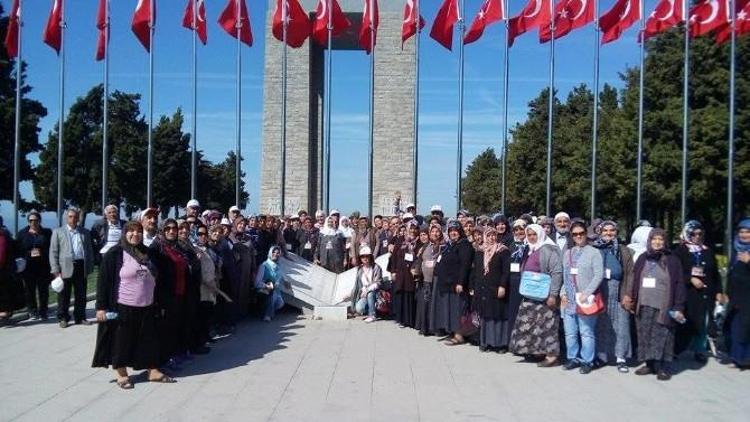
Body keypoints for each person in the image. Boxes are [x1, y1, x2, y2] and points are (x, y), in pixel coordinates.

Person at [92, 221, 175, 389]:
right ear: (125, 233)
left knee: (148, 340)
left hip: (147, 305)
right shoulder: (115, 254)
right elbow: (103, 282)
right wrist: (101, 307)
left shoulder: (149, 253)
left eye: (138, 231)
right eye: (130, 231)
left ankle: (152, 370)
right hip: (124, 306)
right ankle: (121, 374)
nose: (134, 234)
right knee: (122, 341)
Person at [622, 228, 687, 381]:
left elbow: (679, 284)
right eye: (654, 239)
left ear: (665, 241)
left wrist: (678, 306)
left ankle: (664, 367)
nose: (657, 242)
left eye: (660, 239)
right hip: (643, 304)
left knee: (664, 336)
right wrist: (630, 296)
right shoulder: (643, 258)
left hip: (664, 306)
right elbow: (634, 278)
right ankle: (650, 364)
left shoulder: (672, 260)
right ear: (649, 241)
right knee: (645, 335)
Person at [509, 224, 563, 367]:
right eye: (529, 234)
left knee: (548, 326)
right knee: (533, 325)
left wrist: (553, 294)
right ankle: (538, 352)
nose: (532, 237)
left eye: (534, 234)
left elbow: (557, 272)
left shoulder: (549, 249)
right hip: (530, 294)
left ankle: (552, 356)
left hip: (544, 295)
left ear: (540, 234)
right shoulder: (529, 249)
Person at [673, 220, 722, 363]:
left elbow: (715, 273)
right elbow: (675, 272)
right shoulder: (680, 251)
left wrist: (719, 291)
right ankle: (676, 349)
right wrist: (690, 279)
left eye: (700, 234)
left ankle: (699, 350)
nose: (697, 237)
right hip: (688, 294)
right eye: (694, 234)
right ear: (687, 233)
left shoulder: (707, 250)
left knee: (703, 322)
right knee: (685, 322)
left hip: (706, 293)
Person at [560, 220, 604, 374]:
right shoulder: (568, 253)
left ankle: (587, 360)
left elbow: (599, 275)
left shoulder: (594, 252)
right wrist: (563, 293)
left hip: (585, 298)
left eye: (581, 233)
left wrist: (587, 293)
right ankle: (573, 358)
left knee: (586, 332)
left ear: (586, 234)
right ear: (571, 236)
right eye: (575, 234)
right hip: (570, 299)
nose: (578, 236)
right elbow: (565, 275)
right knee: (570, 332)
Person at [592, 220, 634, 373]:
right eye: (605, 231)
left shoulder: (624, 250)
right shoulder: (594, 248)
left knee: (621, 324)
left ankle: (621, 357)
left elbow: (630, 274)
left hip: (618, 289)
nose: (608, 234)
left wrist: (628, 294)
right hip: (599, 288)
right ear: (600, 232)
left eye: (612, 231)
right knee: (601, 323)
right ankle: (602, 355)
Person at [49, 207, 94, 328]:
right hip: (65, 267)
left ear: (78, 218)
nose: (73, 219)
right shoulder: (58, 232)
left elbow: (89, 250)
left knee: (81, 294)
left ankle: (80, 317)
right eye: (70, 217)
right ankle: (63, 318)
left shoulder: (85, 232)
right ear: (66, 218)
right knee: (64, 295)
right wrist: (55, 270)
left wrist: (89, 267)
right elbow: (53, 252)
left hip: (81, 266)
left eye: (75, 217)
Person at [470, 227, 511, 352]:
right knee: (485, 315)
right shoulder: (480, 251)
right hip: (483, 288)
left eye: (493, 235)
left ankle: (500, 344)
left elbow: (506, 271)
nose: (491, 238)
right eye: (488, 236)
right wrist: (472, 286)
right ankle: (486, 341)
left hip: (497, 288)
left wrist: (502, 286)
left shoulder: (502, 251)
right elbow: (475, 270)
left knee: (498, 315)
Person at [433, 222, 473, 345]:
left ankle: (459, 335)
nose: (453, 233)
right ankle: (452, 332)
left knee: (458, 310)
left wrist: (461, 282)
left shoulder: (464, 245)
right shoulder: (450, 245)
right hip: (447, 284)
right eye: (450, 231)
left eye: (455, 230)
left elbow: (465, 266)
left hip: (457, 285)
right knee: (451, 309)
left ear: (460, 231)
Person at [17, 210, 53, 320]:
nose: (33, 222)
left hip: (43, 266)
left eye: (35, 220)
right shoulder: (22, 233)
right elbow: (18, 250)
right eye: (31, 220)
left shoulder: (47, 232)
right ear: (28, 222)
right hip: (28, 268)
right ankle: (32, 311)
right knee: (29, 290)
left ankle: (43, 311)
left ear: (40, 221)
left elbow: (51, 248)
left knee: (43, 291)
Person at [727, 218, 750, 368]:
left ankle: (746, 359)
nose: (744, 235)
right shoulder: (737, 250)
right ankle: (737, 358)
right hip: (736, 298)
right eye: (741, 231)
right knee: (734, 327)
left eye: (747, 232)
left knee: (746, 328)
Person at [388, 222, 420, 328]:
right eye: (411, 228)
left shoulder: (419, 241)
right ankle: (400, 319)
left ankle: (409, 320)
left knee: (409, 295)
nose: (412, 231)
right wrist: (393, 271)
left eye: (415, 229)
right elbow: (393, 257)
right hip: (400, 272)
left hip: (411, 273)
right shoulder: (401, 239)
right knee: (400, 294)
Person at [415, 226, 443, 335]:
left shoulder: (443, 246)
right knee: (426, 303)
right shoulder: (426, 245)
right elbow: (421, 259)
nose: (435, 233)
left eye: (437, 231)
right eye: (433, 231)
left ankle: (435, 329)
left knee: (435, 304)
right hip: (425, 279)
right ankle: (425, 327)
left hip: (437, 280)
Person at [507, 219, 529, 341]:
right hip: (512, 281)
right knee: (513, 311)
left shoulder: (530, 245)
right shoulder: (511, 245)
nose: (519, 232)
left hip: (525, 281)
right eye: (516, 229)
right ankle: (512, 340)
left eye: (522, 229)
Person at [349, 246, 382, 323]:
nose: (365, 258)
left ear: (370, 257)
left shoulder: (376, 267)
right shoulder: (360, 269)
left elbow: (378, 283)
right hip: (364, 294)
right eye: (362, 256)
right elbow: (358, 285)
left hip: (376, 293)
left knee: (370, 294)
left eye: (367, 256)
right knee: (359, 308)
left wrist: (367, 290)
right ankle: (373, 308)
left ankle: (372, 315)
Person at [255, 246, 286, 321]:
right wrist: (267, 286)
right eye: (273, 252)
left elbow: (280, 277)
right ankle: (267, 314)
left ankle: (267, 310)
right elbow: (257, 283)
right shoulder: (264, 266)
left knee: (280, 303)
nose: (275, 254)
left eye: (278, 253)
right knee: (272, 296)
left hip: (275, 290)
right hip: (264, 290)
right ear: (270, 253)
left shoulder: (278, 266)